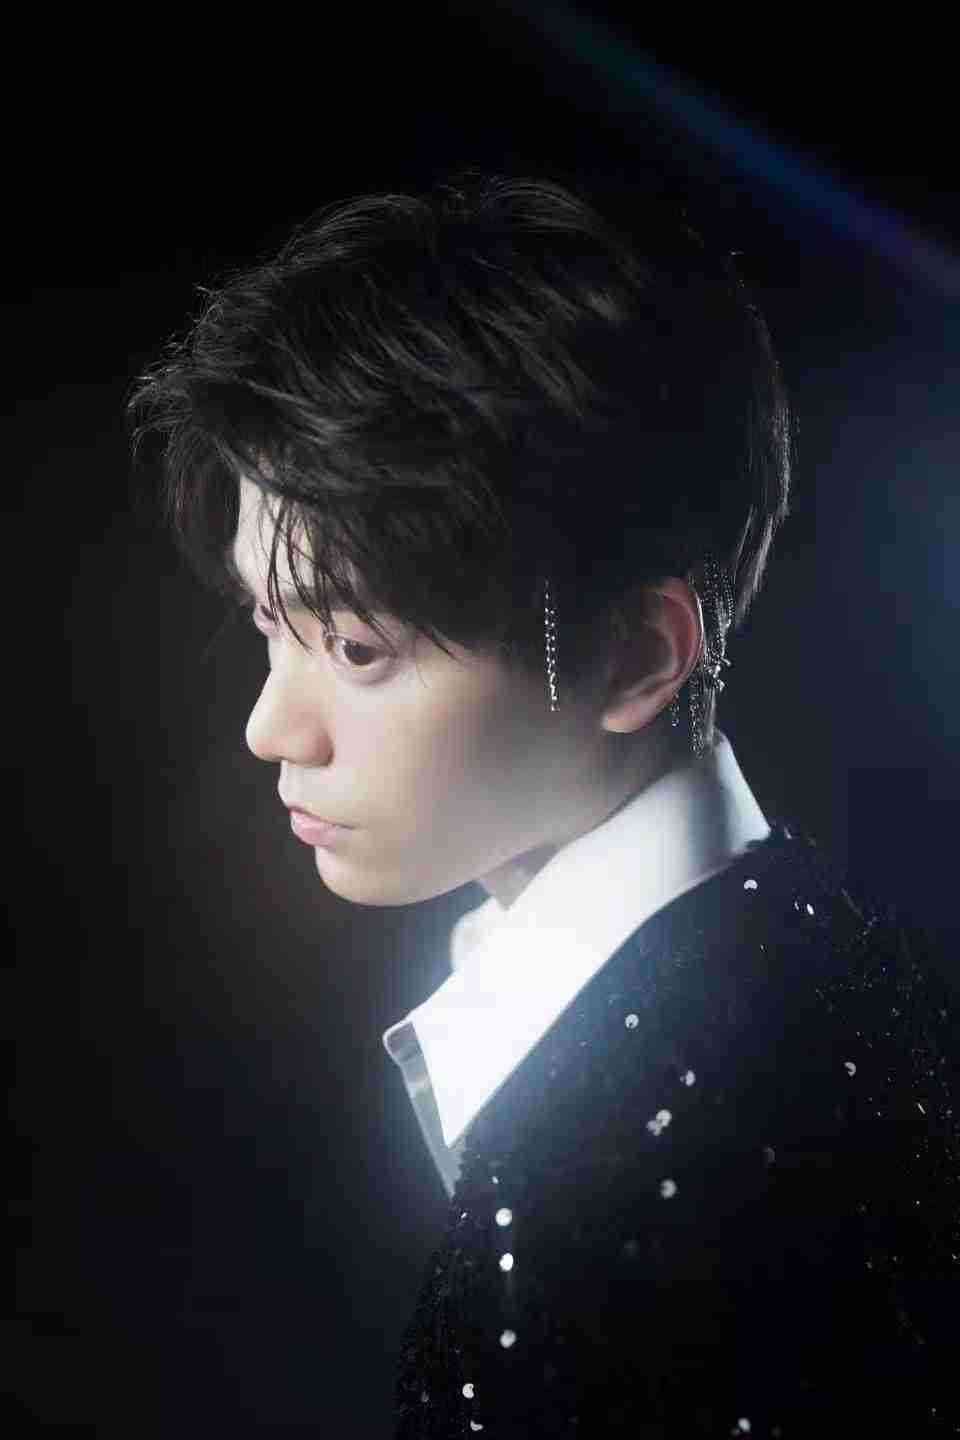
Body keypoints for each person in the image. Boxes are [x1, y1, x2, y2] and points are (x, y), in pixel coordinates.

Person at [126, 170, 958, 1437]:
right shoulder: (844, 972)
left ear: (636, 657)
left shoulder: (629, 1199)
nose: (269, 727)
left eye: (356, 648)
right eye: (266, 624)